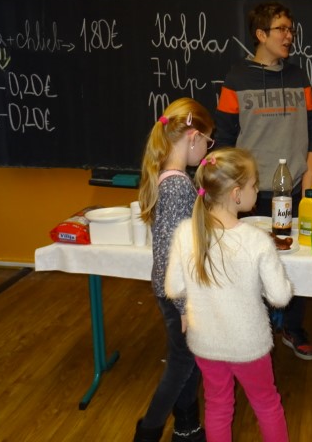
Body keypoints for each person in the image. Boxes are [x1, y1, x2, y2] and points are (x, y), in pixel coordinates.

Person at [214, 1, 312, 361]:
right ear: (261, 34)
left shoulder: (298, 77)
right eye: (282, 29)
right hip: (250, 194)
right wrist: (229, 190)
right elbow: (225, 140)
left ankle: (293, 327)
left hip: (294, 189)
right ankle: (251, 328)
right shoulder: (236, 79)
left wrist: (309, 175)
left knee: (297, 262)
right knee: (250, 264)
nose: (289, 36)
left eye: (291, 29)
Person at [165, 147, 292, 442]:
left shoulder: (186, 233)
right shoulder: (256, 240)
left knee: (218, 405)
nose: (257, 190)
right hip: (249, 345)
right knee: (267, 404)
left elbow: (173, 287)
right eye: (254, 185)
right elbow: (280, 296)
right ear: (236, 194)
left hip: (206, 343)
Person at [135, 97, 215, 442]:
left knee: (189, 360)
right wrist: (184, 305)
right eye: (208, 141)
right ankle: (148, 431)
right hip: (179, 294)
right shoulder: (178, 185)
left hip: (176, 291)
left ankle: (187, 428)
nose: (209, 149)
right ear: (193, 137)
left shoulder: (171, 179)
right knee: (182, 362)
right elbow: (171, 252)